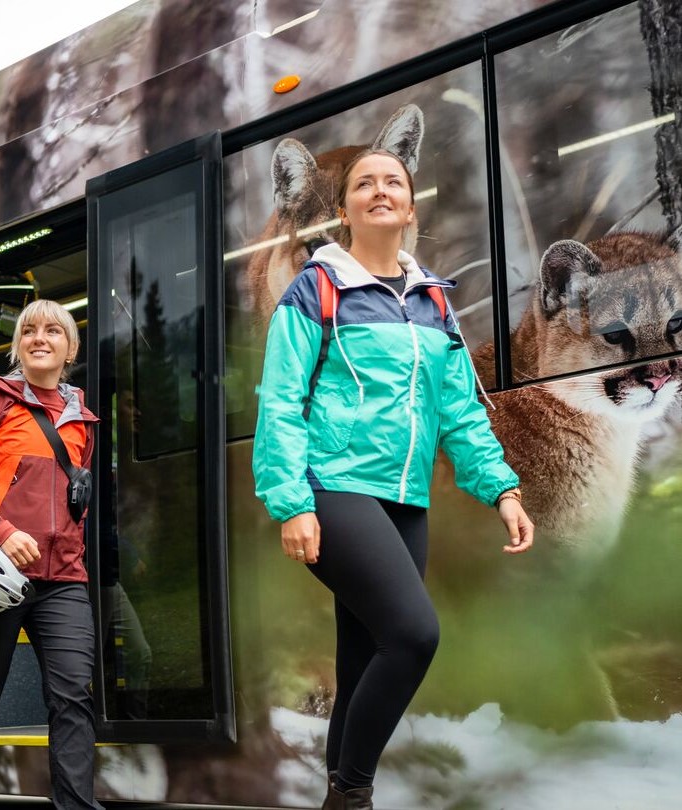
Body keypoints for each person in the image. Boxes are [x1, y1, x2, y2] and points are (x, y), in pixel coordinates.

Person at [252, 148, 535, 810]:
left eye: (392, 182)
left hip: (402, 499)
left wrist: (502, 488)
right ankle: (351, 794)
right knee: (413, 635)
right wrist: (292, 502)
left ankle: (339, 796)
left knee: (360, 663)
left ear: (409, 205)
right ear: (345, 209)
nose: (379, 191)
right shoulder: (316, 289)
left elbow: (458, 409)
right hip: (333, 485)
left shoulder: (433, 301)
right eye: (363, 184)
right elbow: (279, 401)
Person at [0, 299, 102, 810]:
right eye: (29, 330)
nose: (40, 337)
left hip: (64, 579)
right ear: (18, 346)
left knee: (73, 697)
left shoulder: (82, 416)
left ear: (70, 348)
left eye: (53, 330)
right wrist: (0, 530)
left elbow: (76, 498)